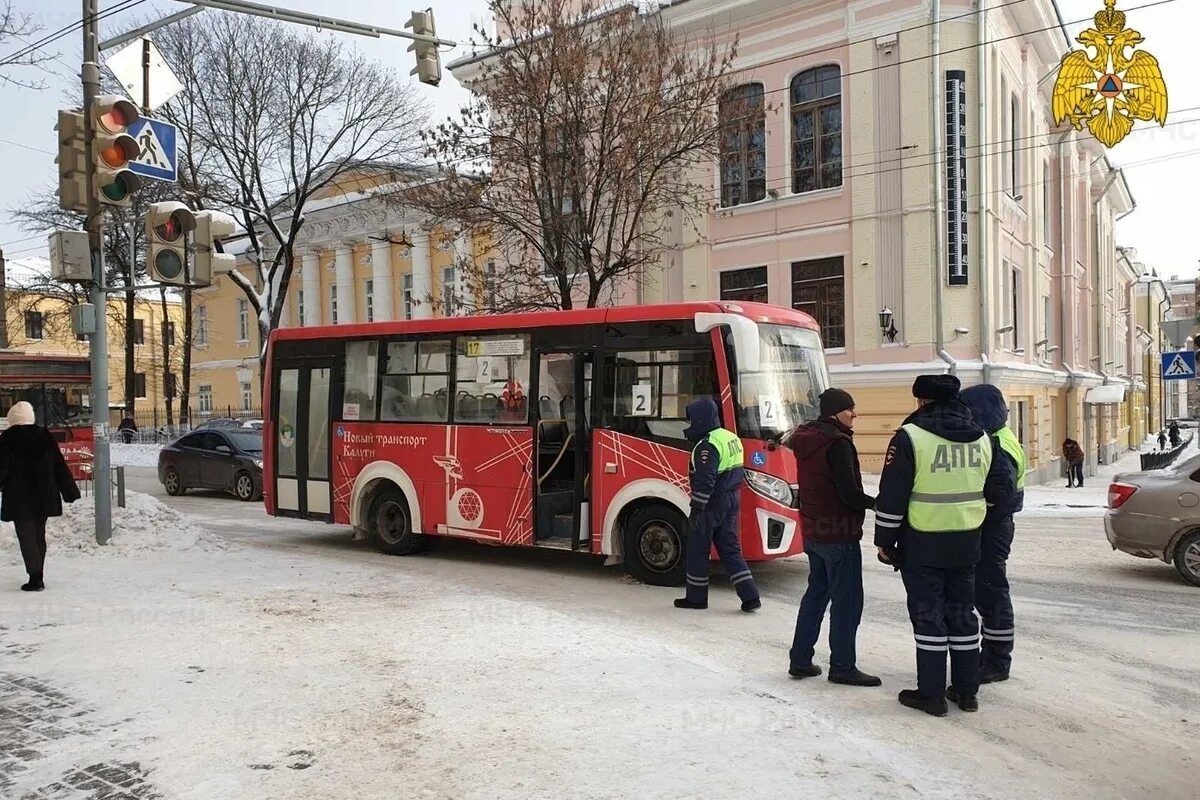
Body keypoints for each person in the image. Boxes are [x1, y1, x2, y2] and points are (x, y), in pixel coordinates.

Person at [874, 375, 1015, 716]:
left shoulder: (911, 437)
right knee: (962, 614)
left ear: (921, 402)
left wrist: (884, 539)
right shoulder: (983, 437)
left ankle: (931, 694)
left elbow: (893, 495)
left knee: (928, 618)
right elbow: (1000, 489)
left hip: (923, 542)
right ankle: (966, 692)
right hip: (967, 541)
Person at [786, 388, 880, 686]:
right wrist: (876, 503)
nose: (854, 414)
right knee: (847, 602)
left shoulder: (807, 439)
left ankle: (800, 660)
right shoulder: (837, 443)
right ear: (834, 413)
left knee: (816, 595)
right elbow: (848, 493)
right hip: (839, 533)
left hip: (814, 531)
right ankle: (842, 667)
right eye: (849, 409)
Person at [960, 384, 1026, 684]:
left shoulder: (998, 443)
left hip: (993, 526)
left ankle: (997, 661)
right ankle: (993, 655)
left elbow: (1000, 491)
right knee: (988, 591)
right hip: (995, 525)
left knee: (991, 592)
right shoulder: (999, 436)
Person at [674, 397, 761, 612]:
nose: (690, 424)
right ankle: (750, 596)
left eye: (692, 419)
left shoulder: (707, 445)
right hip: (732, 499)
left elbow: (706, 479)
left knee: (697, 549)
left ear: (701, 418)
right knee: (730, 549)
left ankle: (696, 598)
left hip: (712, 503)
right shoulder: (730, 437)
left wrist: (697, 507)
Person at [0, 401, 81, 591]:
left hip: (19, 497)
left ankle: (35, 577)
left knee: (26, 536)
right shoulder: (45, 436)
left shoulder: (7, 439)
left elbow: (1, 468)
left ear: (12, 420)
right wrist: (69, 491)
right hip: (44, 495)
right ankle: (38, 574)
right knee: (38, 535)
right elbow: (59, 466)